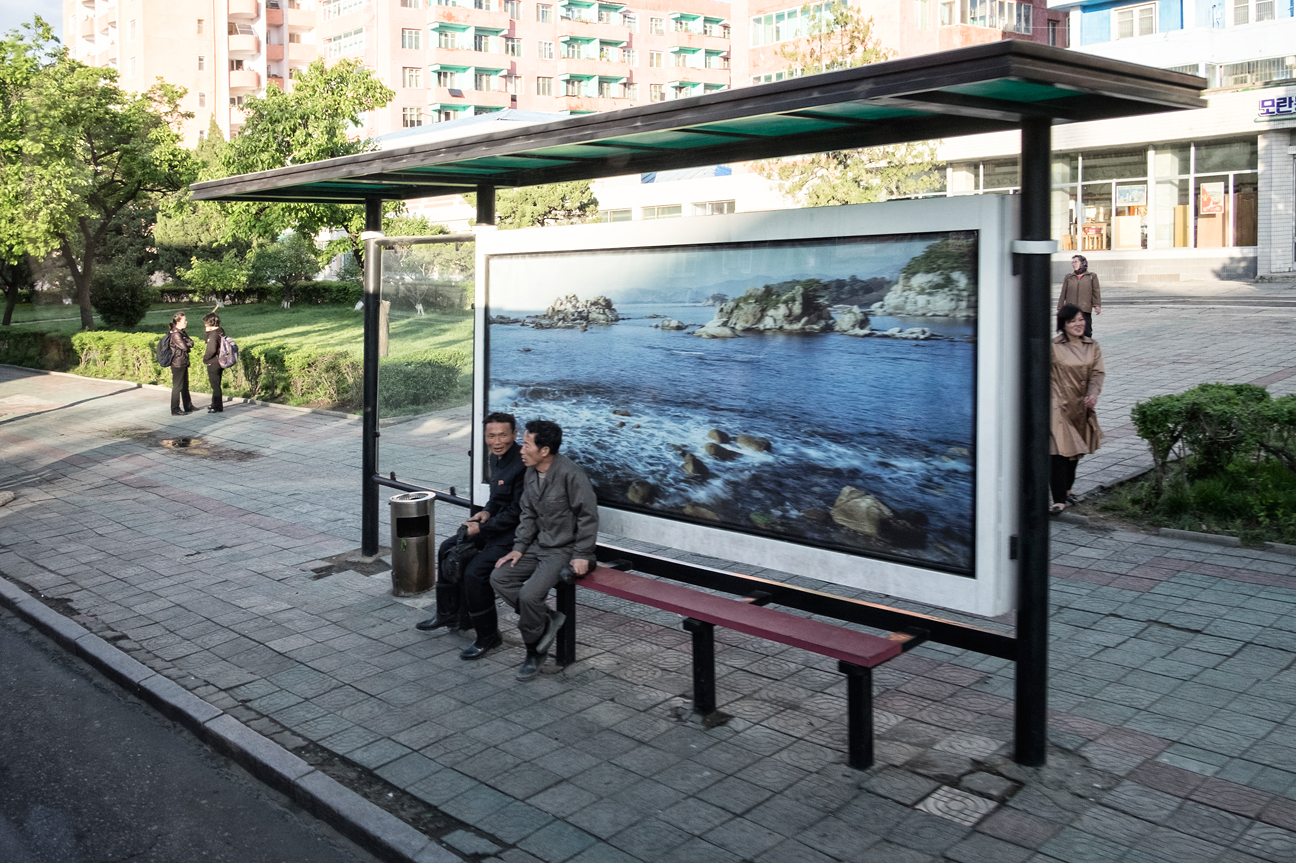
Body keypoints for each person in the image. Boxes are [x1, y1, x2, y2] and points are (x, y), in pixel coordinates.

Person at [493, 420, 598, 681]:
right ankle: (546, 618)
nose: (521, 449)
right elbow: (527, 515)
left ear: (544, 450)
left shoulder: (571, 474)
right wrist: (518, 549)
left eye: (527, 444)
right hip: (537, 545)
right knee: (500, 577)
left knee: (529, 596)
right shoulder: (530, 472)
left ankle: (533, 651)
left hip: (562, 551)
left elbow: (588, 515)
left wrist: (582, 554)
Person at [415, 412, 525, 661]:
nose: (497, 441)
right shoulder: (496, 458)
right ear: (485, 437)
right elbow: (497, 500)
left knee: (475, 572)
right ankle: (447, 613)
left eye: (503, 435)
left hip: (514, 536)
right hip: (493, 527)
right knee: (446, 547)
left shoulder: (522, 463)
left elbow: (518, 512)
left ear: (515, 435)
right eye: (491, 436)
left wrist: (483, 529)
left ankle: (488, 635)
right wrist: (484, 513)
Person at [1050, 303, 1105, 515]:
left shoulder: (1093, 346)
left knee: (1075, 451)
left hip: (1080, 405)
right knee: (1058, 452)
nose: (1078, 324)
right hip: (1057, 405)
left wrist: (1093, 393)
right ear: (1063, 325)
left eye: (1080, 319)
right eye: (1072, 321)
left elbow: (1097, 373)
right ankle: (1059, 500)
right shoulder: (1054, 346)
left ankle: (1067, 488)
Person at [1058, 254, 1101, 338]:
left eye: (1076, 262)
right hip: (1071, 309)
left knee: (1087, 332)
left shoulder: (1092, 276)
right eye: (1072, 262)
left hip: (1085, 309)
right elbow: (1063, 293)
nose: (1074, 264)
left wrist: (1097, 305)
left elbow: (1096, 291)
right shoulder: (1068, 277)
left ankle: (1086, 348)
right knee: (1071, 331)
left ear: (1082, 263)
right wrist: (1060, 307)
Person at [167, 312, 195, 416]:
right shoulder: (175, 334)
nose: (186, 322)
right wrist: (187, 344)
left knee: (185, 386)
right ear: (178, 322)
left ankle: (188, 406)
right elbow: (185, 347)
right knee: (177, 387)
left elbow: (191, 342)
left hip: (183, 362)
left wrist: (187, 343)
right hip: (177, 363)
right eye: (184, 320)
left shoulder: (182, 332)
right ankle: (175, 409)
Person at [201, 312, 226, 413]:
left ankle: (217, 406)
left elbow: (211, 349)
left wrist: (205, 359)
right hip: (221, 360)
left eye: (206, 323)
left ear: (209, 323)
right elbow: (206, 340)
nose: (205, 325)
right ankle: (214, 404)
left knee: (215, 386)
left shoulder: (213, 334)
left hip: (213, 362)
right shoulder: (220, 331)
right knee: (217, 383)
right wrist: (207, 332)